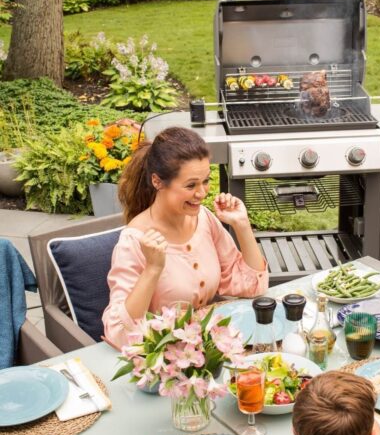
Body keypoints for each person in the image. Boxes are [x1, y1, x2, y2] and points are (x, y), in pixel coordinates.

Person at [102, 126, 268, 348]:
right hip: (166, 363)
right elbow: (119, 335)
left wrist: (242, 225)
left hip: (211, 348)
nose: (202, 193)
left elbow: (253, 287)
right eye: (191, 185)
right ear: (158, 181)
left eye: (206, 181)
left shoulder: (204, 219)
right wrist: (152, 268)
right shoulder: (134, 241)